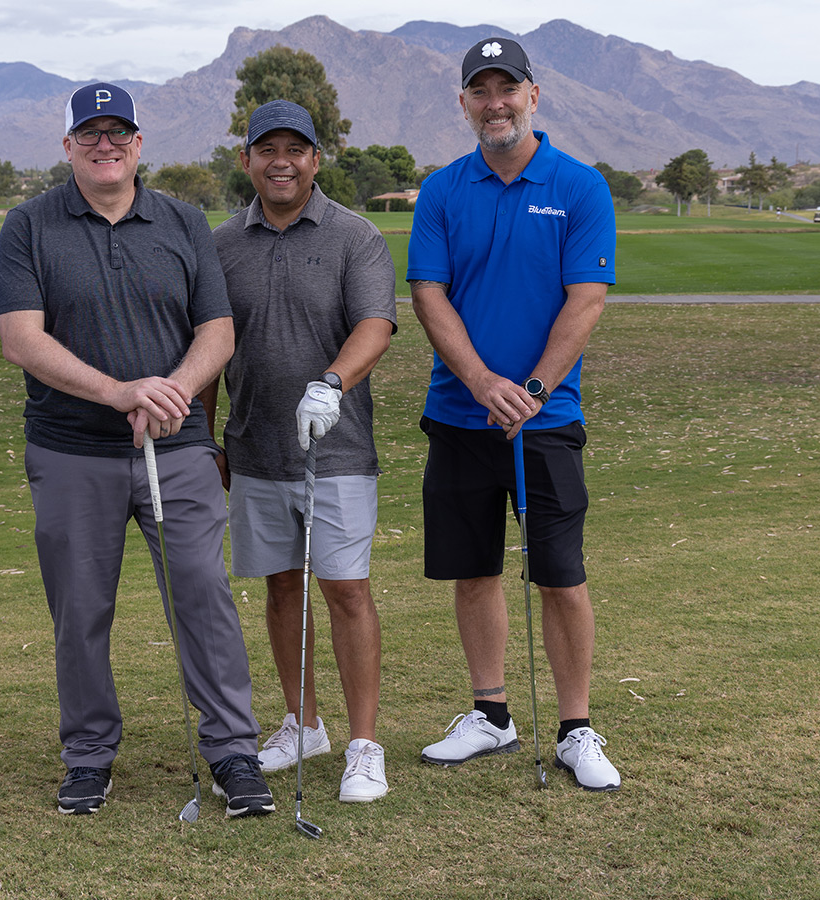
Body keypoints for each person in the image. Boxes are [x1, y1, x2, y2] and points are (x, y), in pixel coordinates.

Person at [0, 82, 272, 818]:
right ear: (68, 147)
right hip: (70, 450)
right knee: (80, 609)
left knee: (201, 594)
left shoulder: (182, 221)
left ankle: (233, 751)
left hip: (175, 445)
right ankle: (88, 757)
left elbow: (217, 331)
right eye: (91, 134)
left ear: (140, 144)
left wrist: (171, 390)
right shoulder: (29, 224)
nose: (105, 145)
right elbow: (21, 338)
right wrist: (121, 392)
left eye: (119, 133)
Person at [406, 38, 622, 791]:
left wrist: (528, 391)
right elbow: (428, 295)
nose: (495, 102)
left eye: (508, 88)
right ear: (464, 102)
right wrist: (481, 382)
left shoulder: (580, 186)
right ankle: (491, 715)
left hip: (547, 419)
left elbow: (585, 300)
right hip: (460, 417)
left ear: (535, 94)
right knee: (474, 571)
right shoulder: (441, 190)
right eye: (480, 90)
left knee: (561, 575)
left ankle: (576, 728)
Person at [207, 100, 396, 802]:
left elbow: (375, 325)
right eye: (267, 149)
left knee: (345, 591)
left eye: (296, 149)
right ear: (247, 159)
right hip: (254, 449)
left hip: (336, 448)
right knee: (283, 587)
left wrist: (332, 382)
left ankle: (364, 743)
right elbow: (208, 345)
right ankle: (302, 722)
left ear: (317, 159)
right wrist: (204, 438)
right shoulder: (221, 243)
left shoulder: (355, 237)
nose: (280, 161)